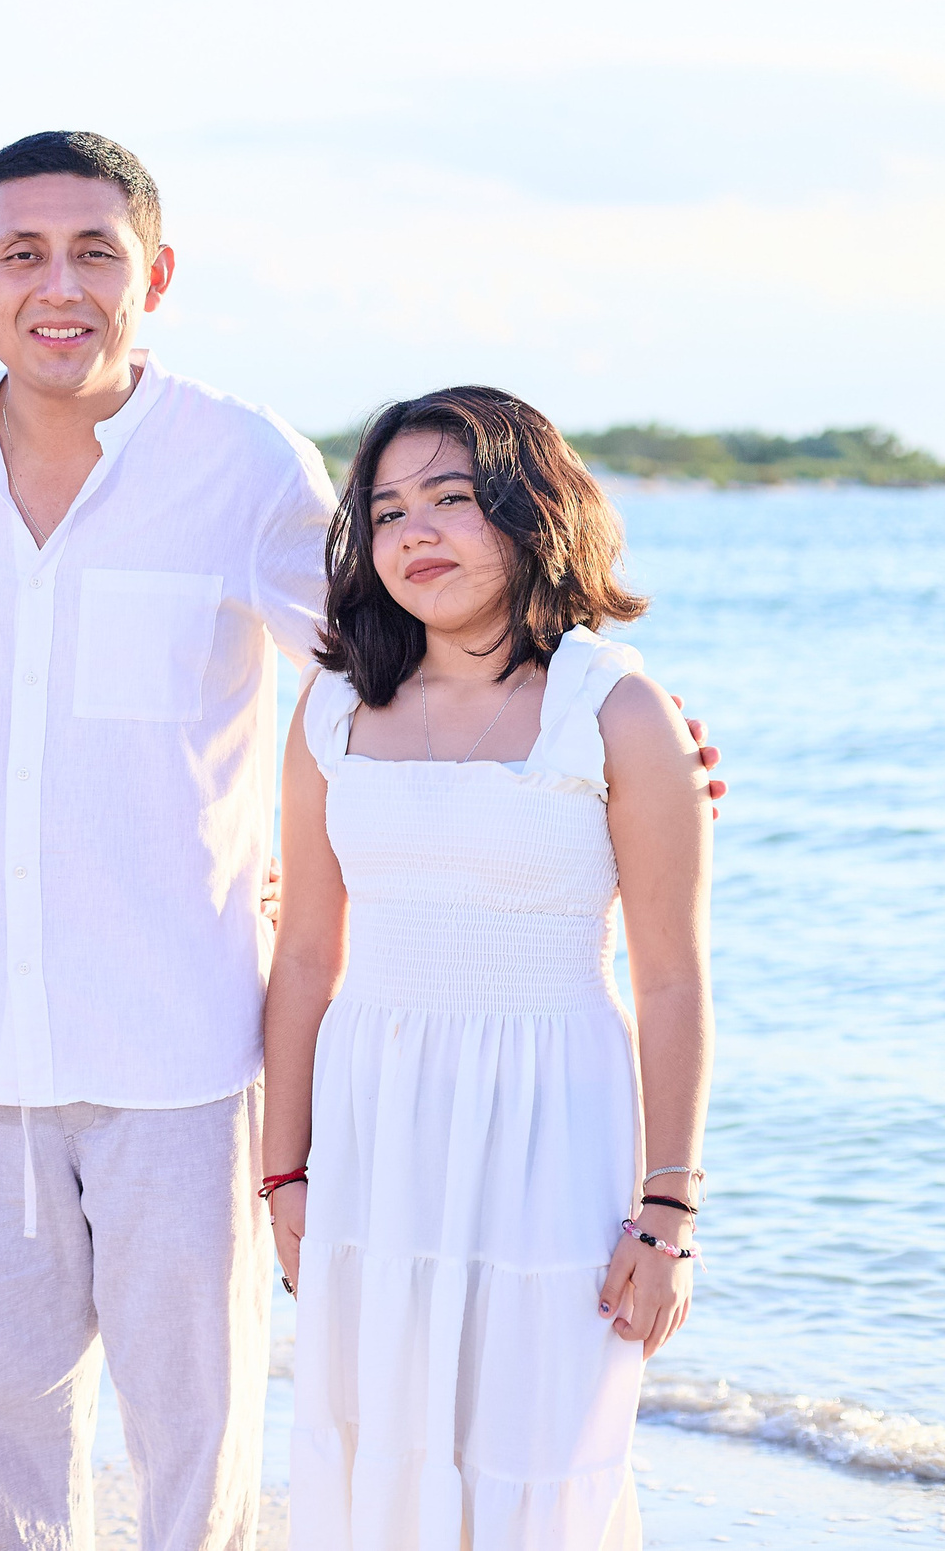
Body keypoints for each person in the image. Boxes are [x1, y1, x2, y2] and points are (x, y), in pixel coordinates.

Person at [0, 131, 726, 1549]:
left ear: (159, 274)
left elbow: (408, 642)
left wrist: (622, 728)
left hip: (185, 1039)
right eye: (21, 253)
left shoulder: (245, 460)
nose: (57, 285)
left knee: (195, 1438)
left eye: (95, 252)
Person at [263, 388, 712, 1549]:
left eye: (452, 501)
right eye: (388, 509)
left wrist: (665, 1213)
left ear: (530, 513)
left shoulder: (614, 709)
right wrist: (283, 1177)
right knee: (376, 1450)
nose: (416, 533)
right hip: (374, 1124)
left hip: (552, 1122)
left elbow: (671, 980)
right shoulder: (330, 708)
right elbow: (307, 957)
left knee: (540, 1452)